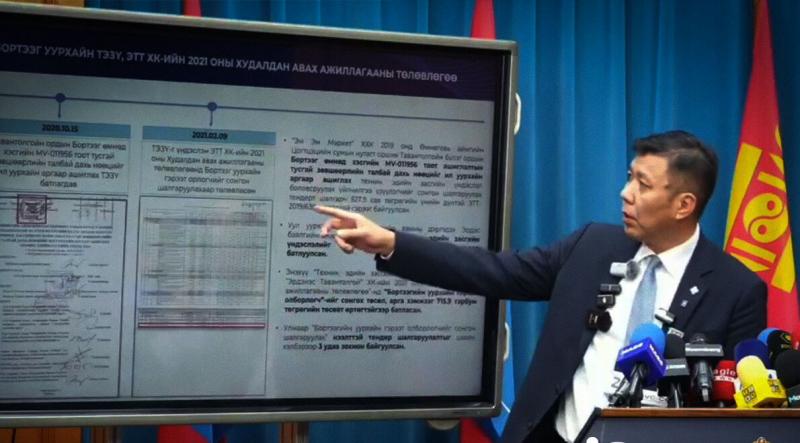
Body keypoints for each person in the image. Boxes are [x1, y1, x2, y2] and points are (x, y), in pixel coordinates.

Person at [315, 130, 766, 443]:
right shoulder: (592, 246)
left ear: (684, 204)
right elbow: (493, 271)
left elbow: (735, 415)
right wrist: (391, 243)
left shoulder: (736, 290)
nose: (626, 192)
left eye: (643, 185)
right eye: (630, 176)